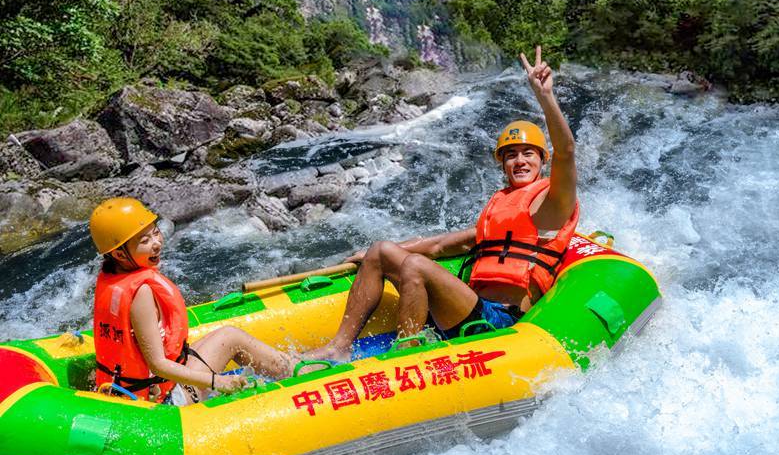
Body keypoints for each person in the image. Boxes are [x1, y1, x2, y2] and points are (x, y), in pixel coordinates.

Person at [304, 46, 578, 361]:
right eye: (511, 155)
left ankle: (404, 358)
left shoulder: (553, 203)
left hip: (501, 322)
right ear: (502, 164)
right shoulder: (501, 207)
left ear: (542, 160)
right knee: (382, 249)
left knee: (417, 266)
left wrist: (545, 96)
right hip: (469, 308)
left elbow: (567, 150)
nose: (519, 161)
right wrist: (367, 257)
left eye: (528, 153)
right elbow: (437, 246)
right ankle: (338, 346)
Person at [90, 197, 295, 405]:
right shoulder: (140, 292)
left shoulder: (110, 280)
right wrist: (217, 382)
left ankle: (297, 363)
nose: (157, 243)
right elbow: (158, 365)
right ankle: (302, 371)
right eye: (145, 241)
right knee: (231, 337)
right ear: (119, 254)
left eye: (155, 232)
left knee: (225, 336)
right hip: (162, 402)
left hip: (126, 391)